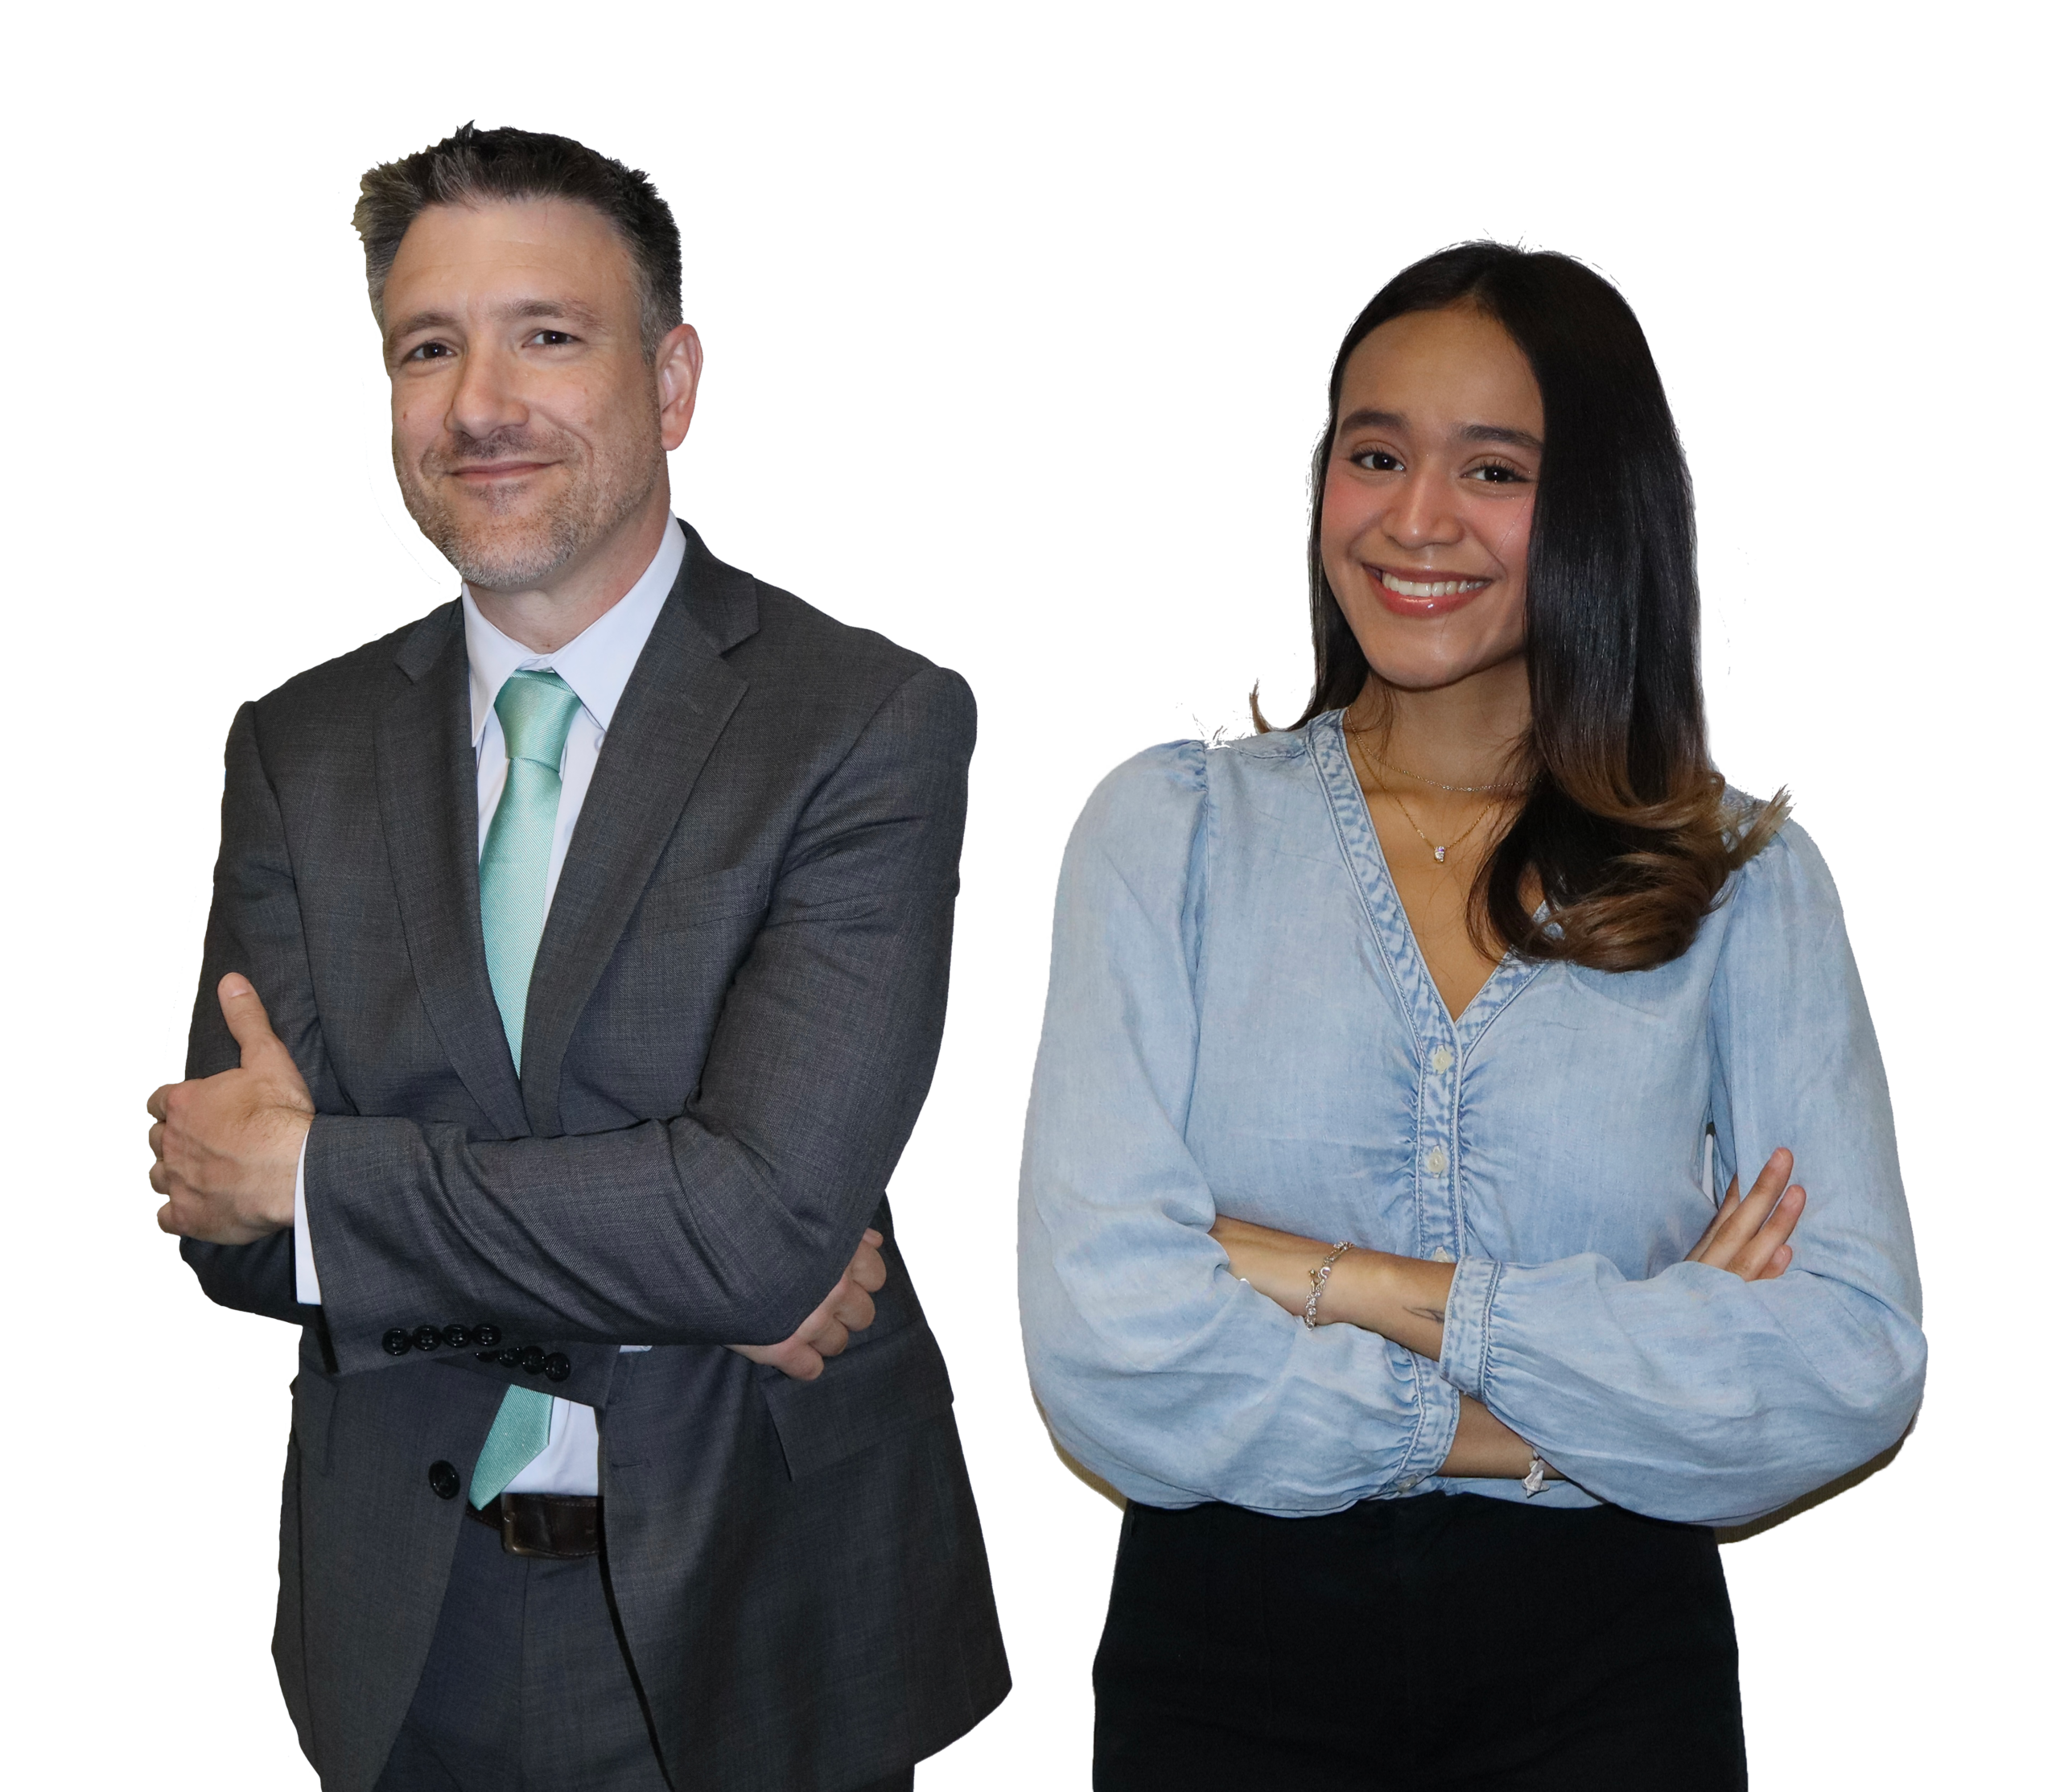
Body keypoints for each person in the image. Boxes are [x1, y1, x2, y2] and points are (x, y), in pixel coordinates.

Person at [147, 123, 1008, 1792]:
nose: (480, 403)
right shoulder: (293, 745)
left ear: (671, 382)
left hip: (762, 1622)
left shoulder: (865, 720)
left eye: (545, 334)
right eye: (428, 347)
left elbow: (753, 1229)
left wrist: (327, 1176)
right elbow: (229, 1232)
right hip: (405, 1641)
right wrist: (674, 1288)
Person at [1015, 241, 1926, 1789]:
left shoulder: (1743, 877)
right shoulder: (1165, 834)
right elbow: (1105, 1346)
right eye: (1376, 454)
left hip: (1613, 1679)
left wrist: (1348, 1279)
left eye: (1493, 469)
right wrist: (1574, 1405)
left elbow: (1850, 1359)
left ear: (1598, 511)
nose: (1416, 519)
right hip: (1222, 1673)